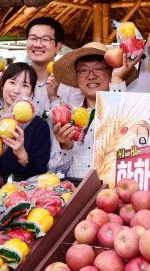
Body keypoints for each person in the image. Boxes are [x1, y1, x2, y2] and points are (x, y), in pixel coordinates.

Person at [48, 42, 140, 182]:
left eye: (99, 69)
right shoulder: (67, 115)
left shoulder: (126, 109)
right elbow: (55, 171)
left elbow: (124, 130)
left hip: (113, 194)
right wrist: (65, 147)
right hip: (75, 194)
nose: (91, 76)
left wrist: (117, 79)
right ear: (77, 78)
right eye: (83, 70)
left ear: (111, 72)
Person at [0, 17, 83, 117]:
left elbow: (74, 126)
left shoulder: (72, 86)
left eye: (45, 39)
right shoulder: (16, 80)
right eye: (33, 38)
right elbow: (2, 122)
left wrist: (54, 98)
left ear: (58, 47)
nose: (38, 44)